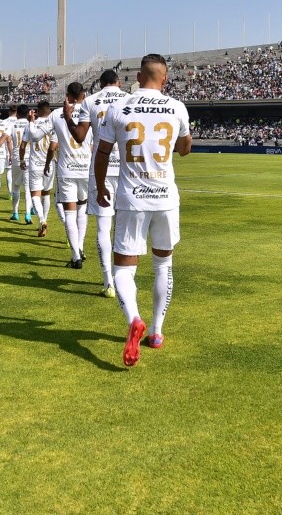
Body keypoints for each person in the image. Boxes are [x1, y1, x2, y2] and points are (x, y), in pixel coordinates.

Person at [95, 53, 191, 367]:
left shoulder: (119, 107)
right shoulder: (176, 107)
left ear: (139, 76)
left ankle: (135, 319)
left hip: (131, 198)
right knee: (163, 265)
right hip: (165, 198)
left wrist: (99, 187)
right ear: (164, 79)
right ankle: (158, 332)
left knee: (123, 269)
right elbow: (184, 149)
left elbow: (102, 152)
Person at [70, 69, 128, 297]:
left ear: (100, 84)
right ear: (119, 82)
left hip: (100, 168)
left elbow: (80, 137)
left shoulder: (91, 101)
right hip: (125, 167)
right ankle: (123, 276)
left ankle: (108, 282)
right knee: (123, 226)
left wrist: (67, 117)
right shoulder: (128, 99)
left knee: (104, 227)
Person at [40, 82, 93, 269]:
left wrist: (31, 122)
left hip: (67, 170)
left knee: (69, 212)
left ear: (67, 95)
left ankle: (75, 255)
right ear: (83, 96)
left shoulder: (56, 114)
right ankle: (80, 246)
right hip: (86, 168)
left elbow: (37, 134)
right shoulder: (90, 111)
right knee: (82, 210)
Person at [20, 101, 55, 237]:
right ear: (49, 111)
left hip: (35, 164)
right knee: (46, 194)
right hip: (49, 163)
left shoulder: (31, 125)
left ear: (38, 111)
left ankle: (42, 220)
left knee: (35, 194)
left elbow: (23, 146)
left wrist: (22, 160)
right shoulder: (53, 123)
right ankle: (44, 222)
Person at [0, 104, 33, 223]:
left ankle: (15, 212)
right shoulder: (30, 124)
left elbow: (4, 137)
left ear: (17, 113)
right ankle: (28, 213)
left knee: (16, 187)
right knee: (28, 188)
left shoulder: (12, 125)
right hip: (29, 158)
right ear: (28, 113)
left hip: (16, 158)